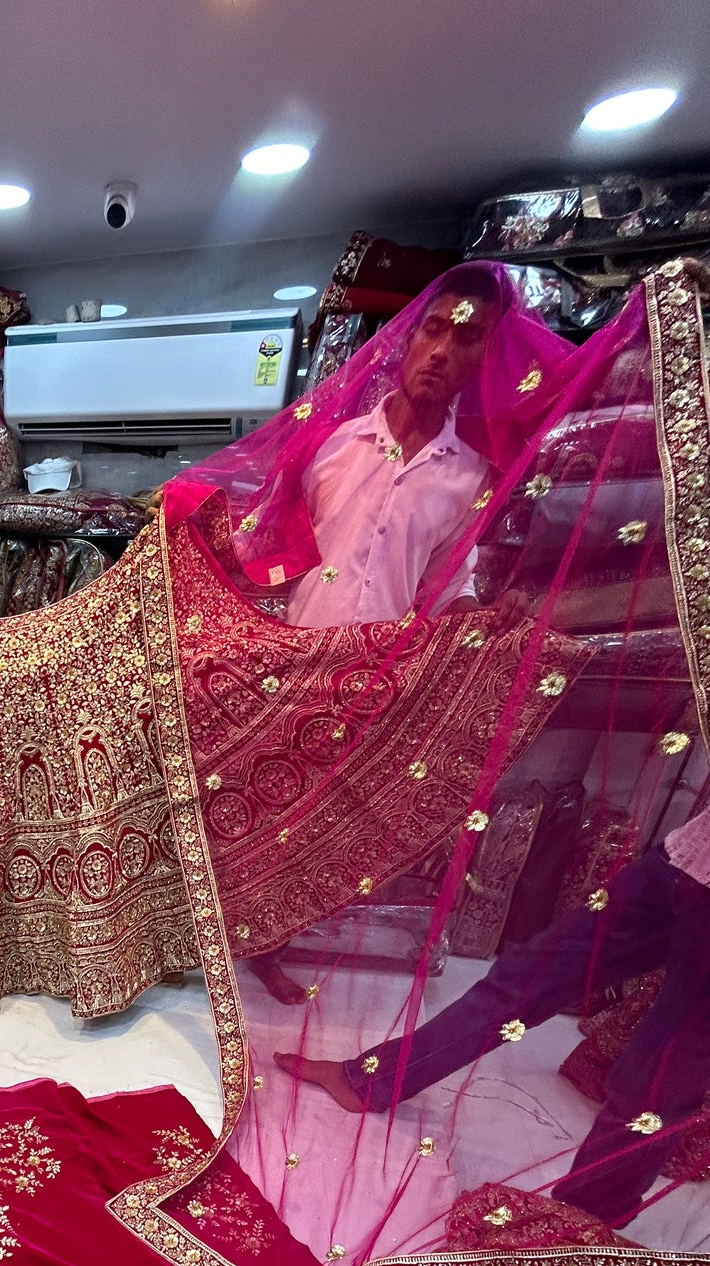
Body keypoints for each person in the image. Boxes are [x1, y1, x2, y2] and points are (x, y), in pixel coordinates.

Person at [248, 265, 505, 1005]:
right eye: (433, 330)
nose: (441, 352)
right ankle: (209, 934)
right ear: (407, 338)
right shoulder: (331, 447)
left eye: (465, 339)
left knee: (319, 824)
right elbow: (267, 547)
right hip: (291, 664)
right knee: (254, 806)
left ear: (484, 358)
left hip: (374, 680)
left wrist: (490, 626)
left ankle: (269, 942)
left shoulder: (469, 479)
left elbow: (445, 587)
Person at [275, 804, 710, 1228]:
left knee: (661, 1067)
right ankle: (373, 1081)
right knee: (527, 977)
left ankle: (580, 1225)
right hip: (684, 859)